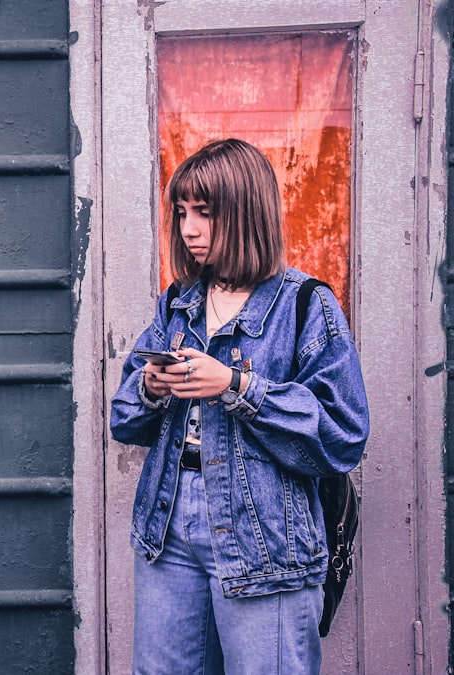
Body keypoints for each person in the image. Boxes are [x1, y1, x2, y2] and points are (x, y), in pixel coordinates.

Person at [110, 138, 369, 674]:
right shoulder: (179, 301)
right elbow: (123, 417)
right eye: (182, 213)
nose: (188, 229)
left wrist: (236, 384)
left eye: (204, 213)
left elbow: (344, 433)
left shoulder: (305, 305)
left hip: (265, 538)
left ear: (246, 211)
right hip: (168, 528)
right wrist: (152, 388)